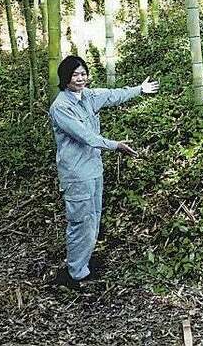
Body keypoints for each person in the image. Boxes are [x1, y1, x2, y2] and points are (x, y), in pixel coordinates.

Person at [48, 55, 159, 288]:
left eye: (83, 73)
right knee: (81, 222)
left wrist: (139, 89)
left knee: (94, 218)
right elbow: (85, 136)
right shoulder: (61, 107)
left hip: (94, 169)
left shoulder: (88, 96)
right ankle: (75, 274)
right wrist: (115, 145)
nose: (80, 78)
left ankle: (82, 264)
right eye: (75, 74)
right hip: (77, 174)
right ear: (65, 78)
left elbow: (112, 94)